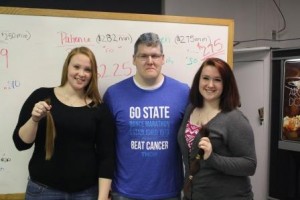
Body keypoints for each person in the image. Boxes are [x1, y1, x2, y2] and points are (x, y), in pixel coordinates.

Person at [13, 46, 115, 200]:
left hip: (87, 193)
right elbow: (21, 144)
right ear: (67, 67)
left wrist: (102, 197)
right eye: (76, 67)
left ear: (92, 74)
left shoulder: (99, 109)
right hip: (43, 191)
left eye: (87, 69)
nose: (81, 74)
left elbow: (107, 157)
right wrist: (34, 120)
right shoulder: (41, 96)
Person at [103, 32, 190, 200]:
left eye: (155, 56)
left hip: (169, 192)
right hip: (124, 192)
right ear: (134, 59)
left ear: (163, 58)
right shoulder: (114, 94)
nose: (150, 61)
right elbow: (105, 146)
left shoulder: (183, 92)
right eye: (143, 56)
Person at [177, 57, 257, 200]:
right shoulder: (190, 109)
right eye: (205, 78)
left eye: (217, 80)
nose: (210, 84)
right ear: (198, 80)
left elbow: (249, 165)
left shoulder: (234, 119)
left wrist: (212, 158)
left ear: (226, 84)